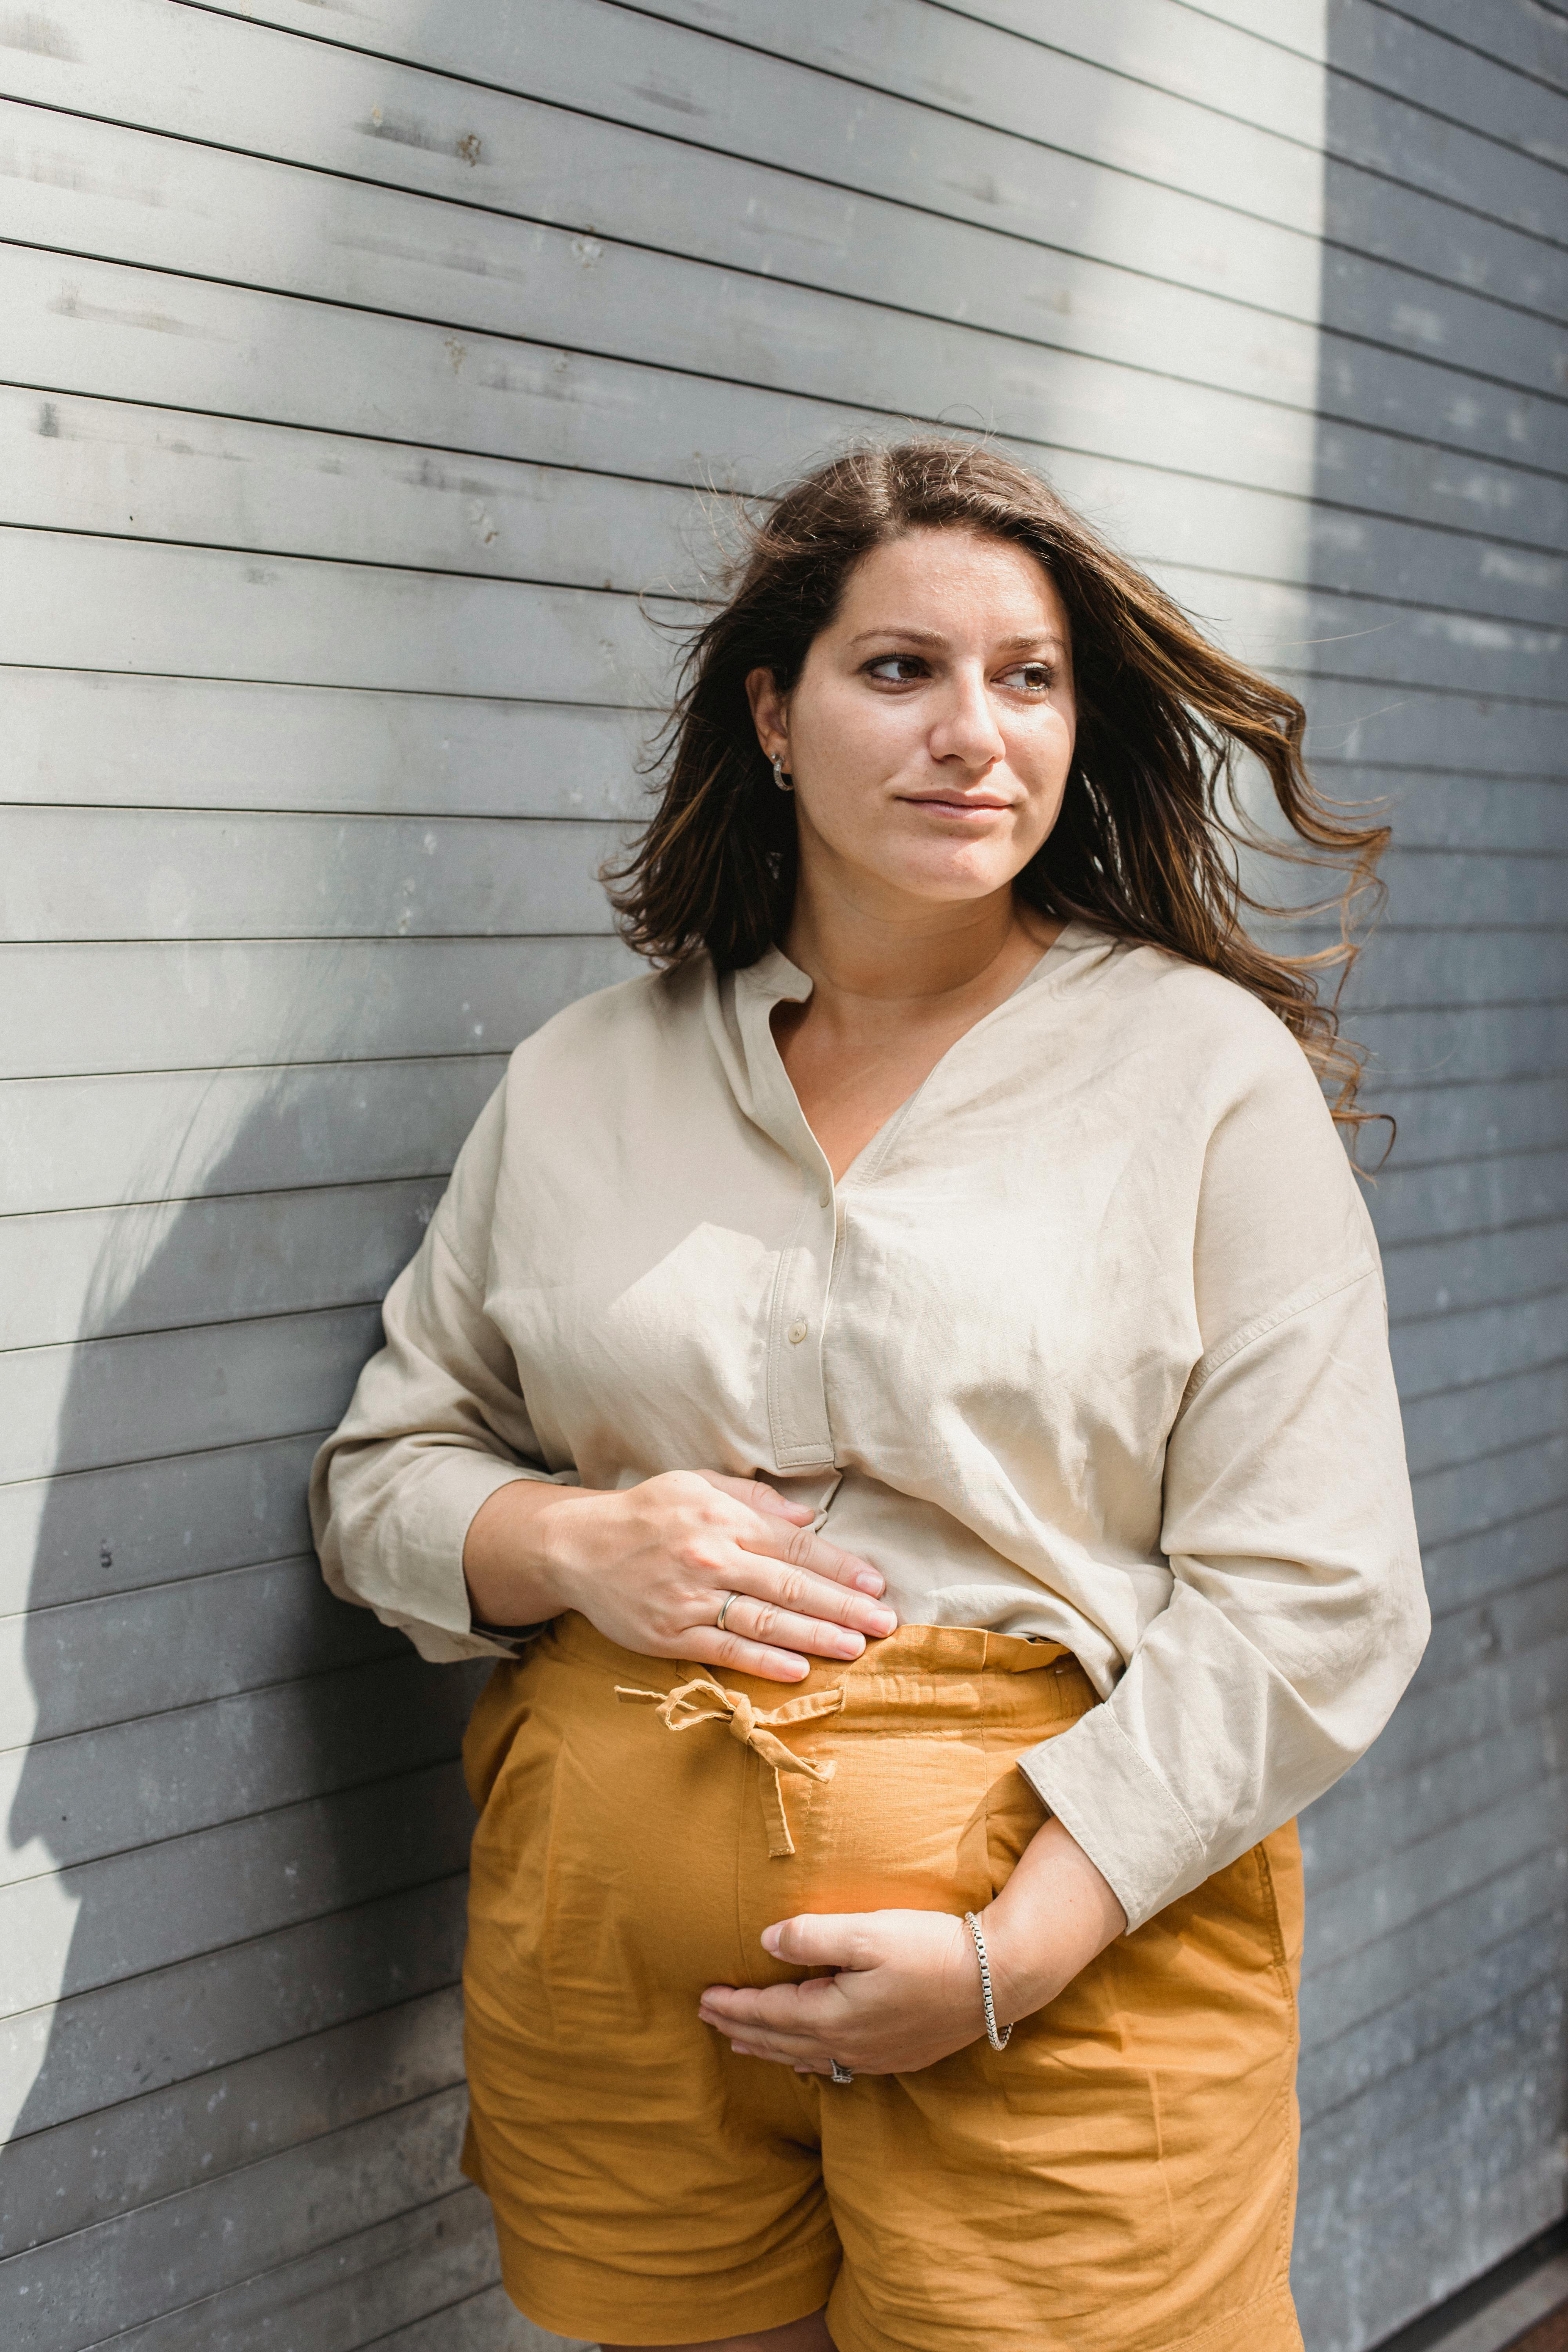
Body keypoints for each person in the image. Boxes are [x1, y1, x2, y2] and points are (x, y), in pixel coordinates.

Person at [311, 440, 1428, 2352]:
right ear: (773, 709)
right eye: (899, 670)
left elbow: (1318, 1594)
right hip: (618, 1983)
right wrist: (574, 1539)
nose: (971, 735)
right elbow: (383, 1477)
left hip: (1061, 1983)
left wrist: (1011, 1953)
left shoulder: (1197, 1073)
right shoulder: (588, 1075)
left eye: (1028, 678)